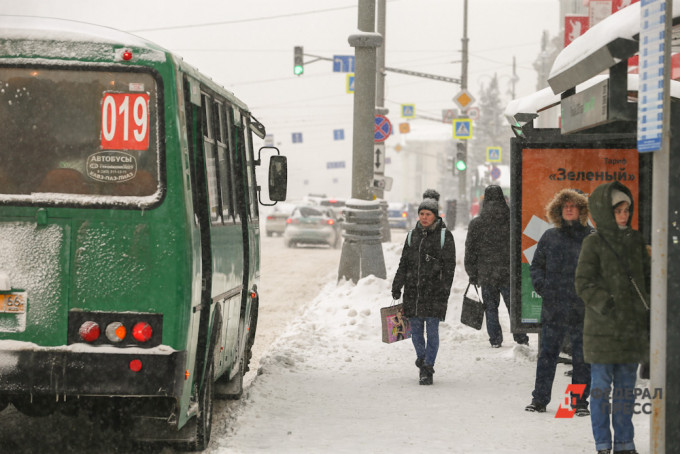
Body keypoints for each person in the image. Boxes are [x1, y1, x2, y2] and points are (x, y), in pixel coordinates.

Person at [575, 182, 650, 454]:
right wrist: (608, 304)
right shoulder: (593, 243)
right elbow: (583, 282)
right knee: (600, 392)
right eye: (618, 210)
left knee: (626, 394)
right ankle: (603, 444)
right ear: (606, 211)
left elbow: (649, 282)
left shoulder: (636, 241)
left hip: (630, 330)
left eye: (626, 209)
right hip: (602, 331)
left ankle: (625, 445)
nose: (623, 214)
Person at [525, 189, 592, 415]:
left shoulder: (590, 237)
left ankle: (579, 402)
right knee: (547, 355)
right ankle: (540, 400)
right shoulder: (549, 236)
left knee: (582, 358)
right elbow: (536, 267)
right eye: (565, 206)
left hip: (581, 308)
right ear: (559, 211)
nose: (569, 209)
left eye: (574, 206)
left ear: (581, 210)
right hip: (554, 307)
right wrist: (544, 287)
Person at [392, 189, 456, 385]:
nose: (424, 217)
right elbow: (404, 262)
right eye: (422, 214)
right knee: (416, 331)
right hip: (414, 292)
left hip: (434, 293)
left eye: (428, 214)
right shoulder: (412, 236)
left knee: (433, 331)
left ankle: (428, 367)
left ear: (435, 215)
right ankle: (422, 358)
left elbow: (449, 267)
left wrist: (444, 291)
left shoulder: (445, 236)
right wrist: (397, 284)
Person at [464, 185, 529, 348]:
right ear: (503, 198)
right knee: (513, 307)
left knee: (491, 308)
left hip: (486, 274)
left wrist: (472, 273)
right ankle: (521, 337)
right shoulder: (513, 220)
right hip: (509, 272)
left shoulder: (477, 223)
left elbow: (470, 251)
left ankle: (495, 339)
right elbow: (521, 245)